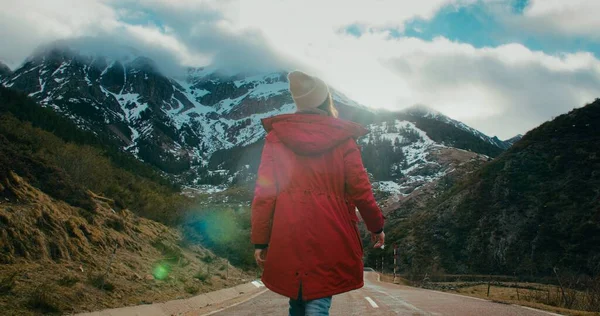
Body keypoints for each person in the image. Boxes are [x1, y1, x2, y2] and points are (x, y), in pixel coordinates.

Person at [251, 70, 386, 316]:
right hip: (330, 230)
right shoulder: (343, 139)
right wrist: (376, 227)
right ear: (326, 101)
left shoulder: (276, 138)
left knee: (298, 297)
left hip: (287, 232)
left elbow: (264, 194)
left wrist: (261, 240)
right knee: (318, 299)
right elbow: (361, 190)